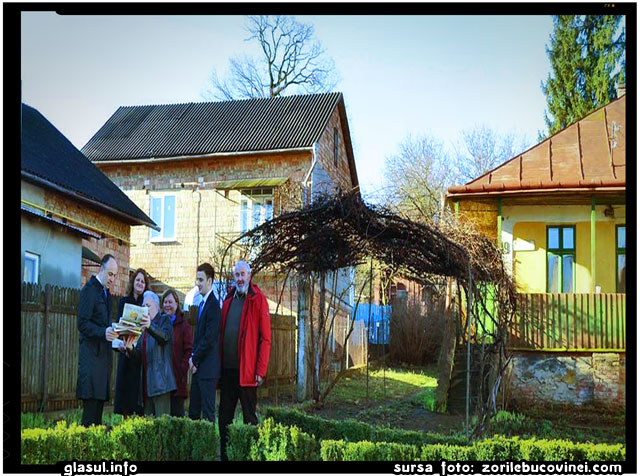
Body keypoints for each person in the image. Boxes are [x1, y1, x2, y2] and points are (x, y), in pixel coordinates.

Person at [218, 260, 272, 461]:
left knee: (250, 419)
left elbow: (266, 339)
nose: (240, 278)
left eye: (243, 274)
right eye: (236, 275)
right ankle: (225, 457)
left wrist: (261, 370)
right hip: (228, 372)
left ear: (250, 276)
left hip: (247, 372)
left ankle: (253, 457)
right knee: (224, 419)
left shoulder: (259, 300)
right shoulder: (228, 299)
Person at [76, 253, 119, 427]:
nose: (112, 279)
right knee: (89, 419)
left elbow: (104, 325)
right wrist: (103, 332)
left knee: (98, 419)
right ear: (101, 269)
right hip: (91, 362)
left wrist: (116, 337)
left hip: (103, 362)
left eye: (115, 276)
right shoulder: (89, 291)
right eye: (110, 274)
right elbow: (82, 324)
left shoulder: (106, 294)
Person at [125, 290, 176, 416]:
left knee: (162, 426)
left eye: (148, 306)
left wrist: (150, 326)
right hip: (147, 386)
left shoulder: (164, 320)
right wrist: (130, 348)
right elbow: (139, 357)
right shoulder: (143, 328)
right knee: (149, 426)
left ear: (157, 307)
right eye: (143, 306)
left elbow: (164, 337)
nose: (145, 309)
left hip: (161, 384)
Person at [113, 268, 149, 417]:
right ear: (133, 282)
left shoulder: (146, 304)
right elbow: (118, 325)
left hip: (138, 356)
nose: (140, 283)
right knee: (125, 399)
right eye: (138, 280)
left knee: (137, 398)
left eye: (143, 281)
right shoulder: (123, 301)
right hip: (125, 354)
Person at [188, 262, 221, 423]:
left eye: (201, 280)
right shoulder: (202, 304)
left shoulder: (214, 306)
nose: (197, 284)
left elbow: (209, 339)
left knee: (208, 415)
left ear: (210, 281)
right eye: (197, 279)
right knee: (193, 413)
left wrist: (194, 359)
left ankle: (209, 448)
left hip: (208, 370)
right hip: (198, 368)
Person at [162, 288, 194, 417]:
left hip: (177, 379)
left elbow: (189, 350)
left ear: (176, 304)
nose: (167, 305)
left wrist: (182, 369)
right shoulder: (159, 323)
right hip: (161, 379)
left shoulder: (183, 326)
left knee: (176, 416)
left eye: (170, 302)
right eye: (165, 302)